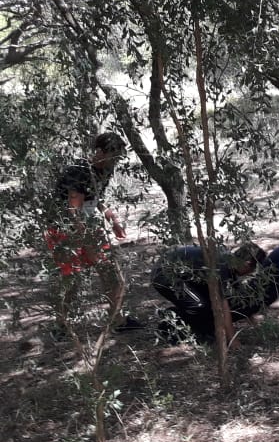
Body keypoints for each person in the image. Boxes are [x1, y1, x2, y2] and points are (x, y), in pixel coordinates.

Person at [45, 131, 142, 333]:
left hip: (86, 226)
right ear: (99, 151)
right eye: (113, 155)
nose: (116, 161)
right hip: (64, 231)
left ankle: (117, 320)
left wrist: (113, 220)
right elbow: (73, 210)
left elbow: (97, 200)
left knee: (111, 273)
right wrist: (87, 238)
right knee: (73, 280)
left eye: (118, 157)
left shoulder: (103, 171)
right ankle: (60, 326)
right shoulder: (80, 171)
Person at [151, 243, 267, 345]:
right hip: (164, 274)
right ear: (247, 264)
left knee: (208, 304)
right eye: (252, 270)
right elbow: (224, 307)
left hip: (184, 275)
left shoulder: (229, 262)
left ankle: (200, 328)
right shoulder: (222, 266)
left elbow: (237, 296)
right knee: (199, 306)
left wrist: (255, 325)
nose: (250, 273)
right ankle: (169, 324)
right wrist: (233, 341)